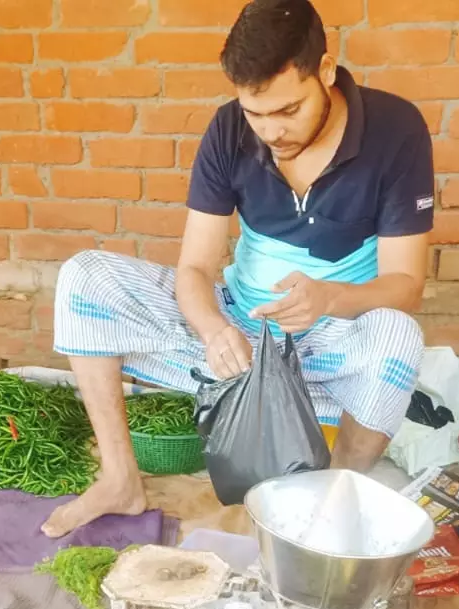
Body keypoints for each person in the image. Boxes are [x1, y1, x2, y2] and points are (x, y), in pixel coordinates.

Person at [44, 0, 432, 537]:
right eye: (256, 113)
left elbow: (406, 285)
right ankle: (120, 480)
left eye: (289, 110)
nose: (271, 132)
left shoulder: (395, 130)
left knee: (399, 336)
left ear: (325, 72)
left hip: (333, 339)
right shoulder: (229, 130)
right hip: (241, 338)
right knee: (85, 276)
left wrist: (329, 298)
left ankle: (327, 501)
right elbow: (195, 267)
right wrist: (215, 329)